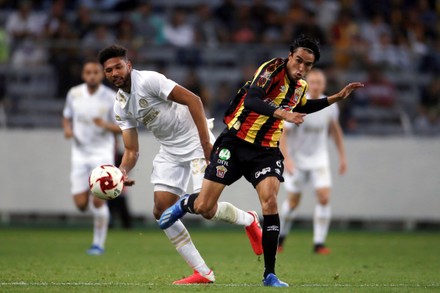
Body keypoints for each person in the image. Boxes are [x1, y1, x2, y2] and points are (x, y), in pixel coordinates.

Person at [159, 36, 363, 287]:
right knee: (204, 208)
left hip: (266, 151)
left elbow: (304, 106)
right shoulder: (271, 69)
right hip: (234, 143)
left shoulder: (300, 85)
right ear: (290, 56)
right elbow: (253, 100)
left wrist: (335, 98)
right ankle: (186, 203)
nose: (302, 68)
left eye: (308, 65)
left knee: (270, 202)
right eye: (299, 60)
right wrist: (283, 113)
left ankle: (269, 274)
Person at [97, 44, 263, 284]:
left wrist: (206, 143)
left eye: (118, 67)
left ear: (129, 65)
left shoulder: (149, 81)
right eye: (109, 70)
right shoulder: (120, 105)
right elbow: (132, 150)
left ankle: (249, 220)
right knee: (161, 211)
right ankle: (203, 272)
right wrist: (120, 173)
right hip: (170, 151)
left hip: (197, 141)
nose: (114, 73)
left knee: (205, 209)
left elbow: (194, 100)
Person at [278, 68, 347, 254]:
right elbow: (283, 134)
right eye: (313, 82)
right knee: (293, 202)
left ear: (324, 85)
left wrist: (342, 156)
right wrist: (287, 160)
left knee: (324, 198)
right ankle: (280, 238)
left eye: (319, 82)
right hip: (297, 160)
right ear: (308, 83)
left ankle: (319, 243)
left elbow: (335, 130)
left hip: (319, 159)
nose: (316, 85)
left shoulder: (330, 106)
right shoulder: (298, 104)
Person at [62, 60, 121, 255]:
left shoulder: (111, 97)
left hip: (102, 153)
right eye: (88, 72)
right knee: (80, 205)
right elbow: (66, 116)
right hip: (79, 153)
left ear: (102, 75)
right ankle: (98, 206)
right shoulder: (74, 94)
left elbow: (122, 128)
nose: (92, 76)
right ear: (83, 75)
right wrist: (68, 129)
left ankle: (98, 244)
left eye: (96, 72)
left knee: (98, 200)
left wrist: (105, 125)